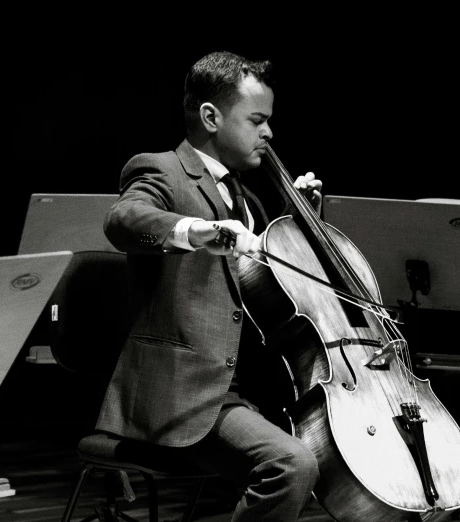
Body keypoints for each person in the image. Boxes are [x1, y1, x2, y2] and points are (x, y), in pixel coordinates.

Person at [97, 50, 322, 521]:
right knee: (292, 465)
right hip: (182, 393)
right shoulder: (160, 169)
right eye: (257, 119)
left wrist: (301, 228)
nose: (269, 133)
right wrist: (196, 230)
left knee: (324, 458)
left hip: (245, 388)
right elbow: (124, 219)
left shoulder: (249, 199)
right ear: (211, 116)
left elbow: (275, 292)